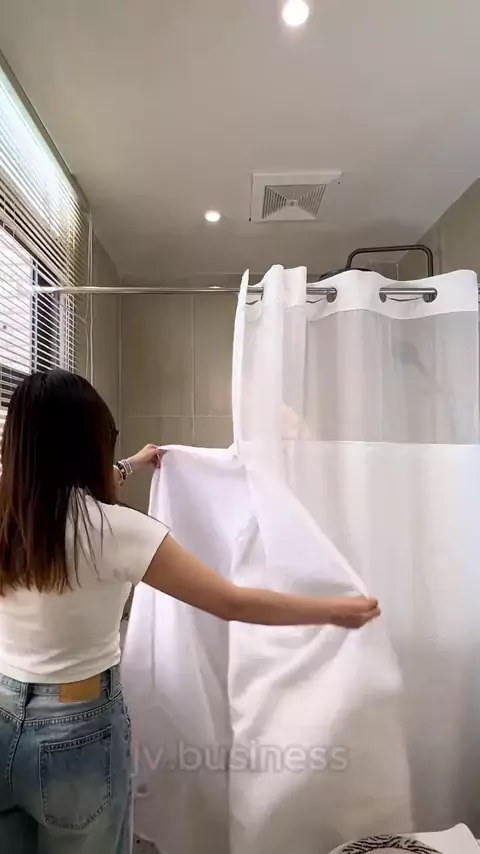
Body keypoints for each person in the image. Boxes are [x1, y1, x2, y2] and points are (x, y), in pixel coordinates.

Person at [0, 370, 379, 854]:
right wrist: (333, 610)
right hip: (75, 730)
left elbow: (65, 494)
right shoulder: (117, 531)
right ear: (87, 443)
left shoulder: (10, 517)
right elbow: (230, 601)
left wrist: (132, 464)